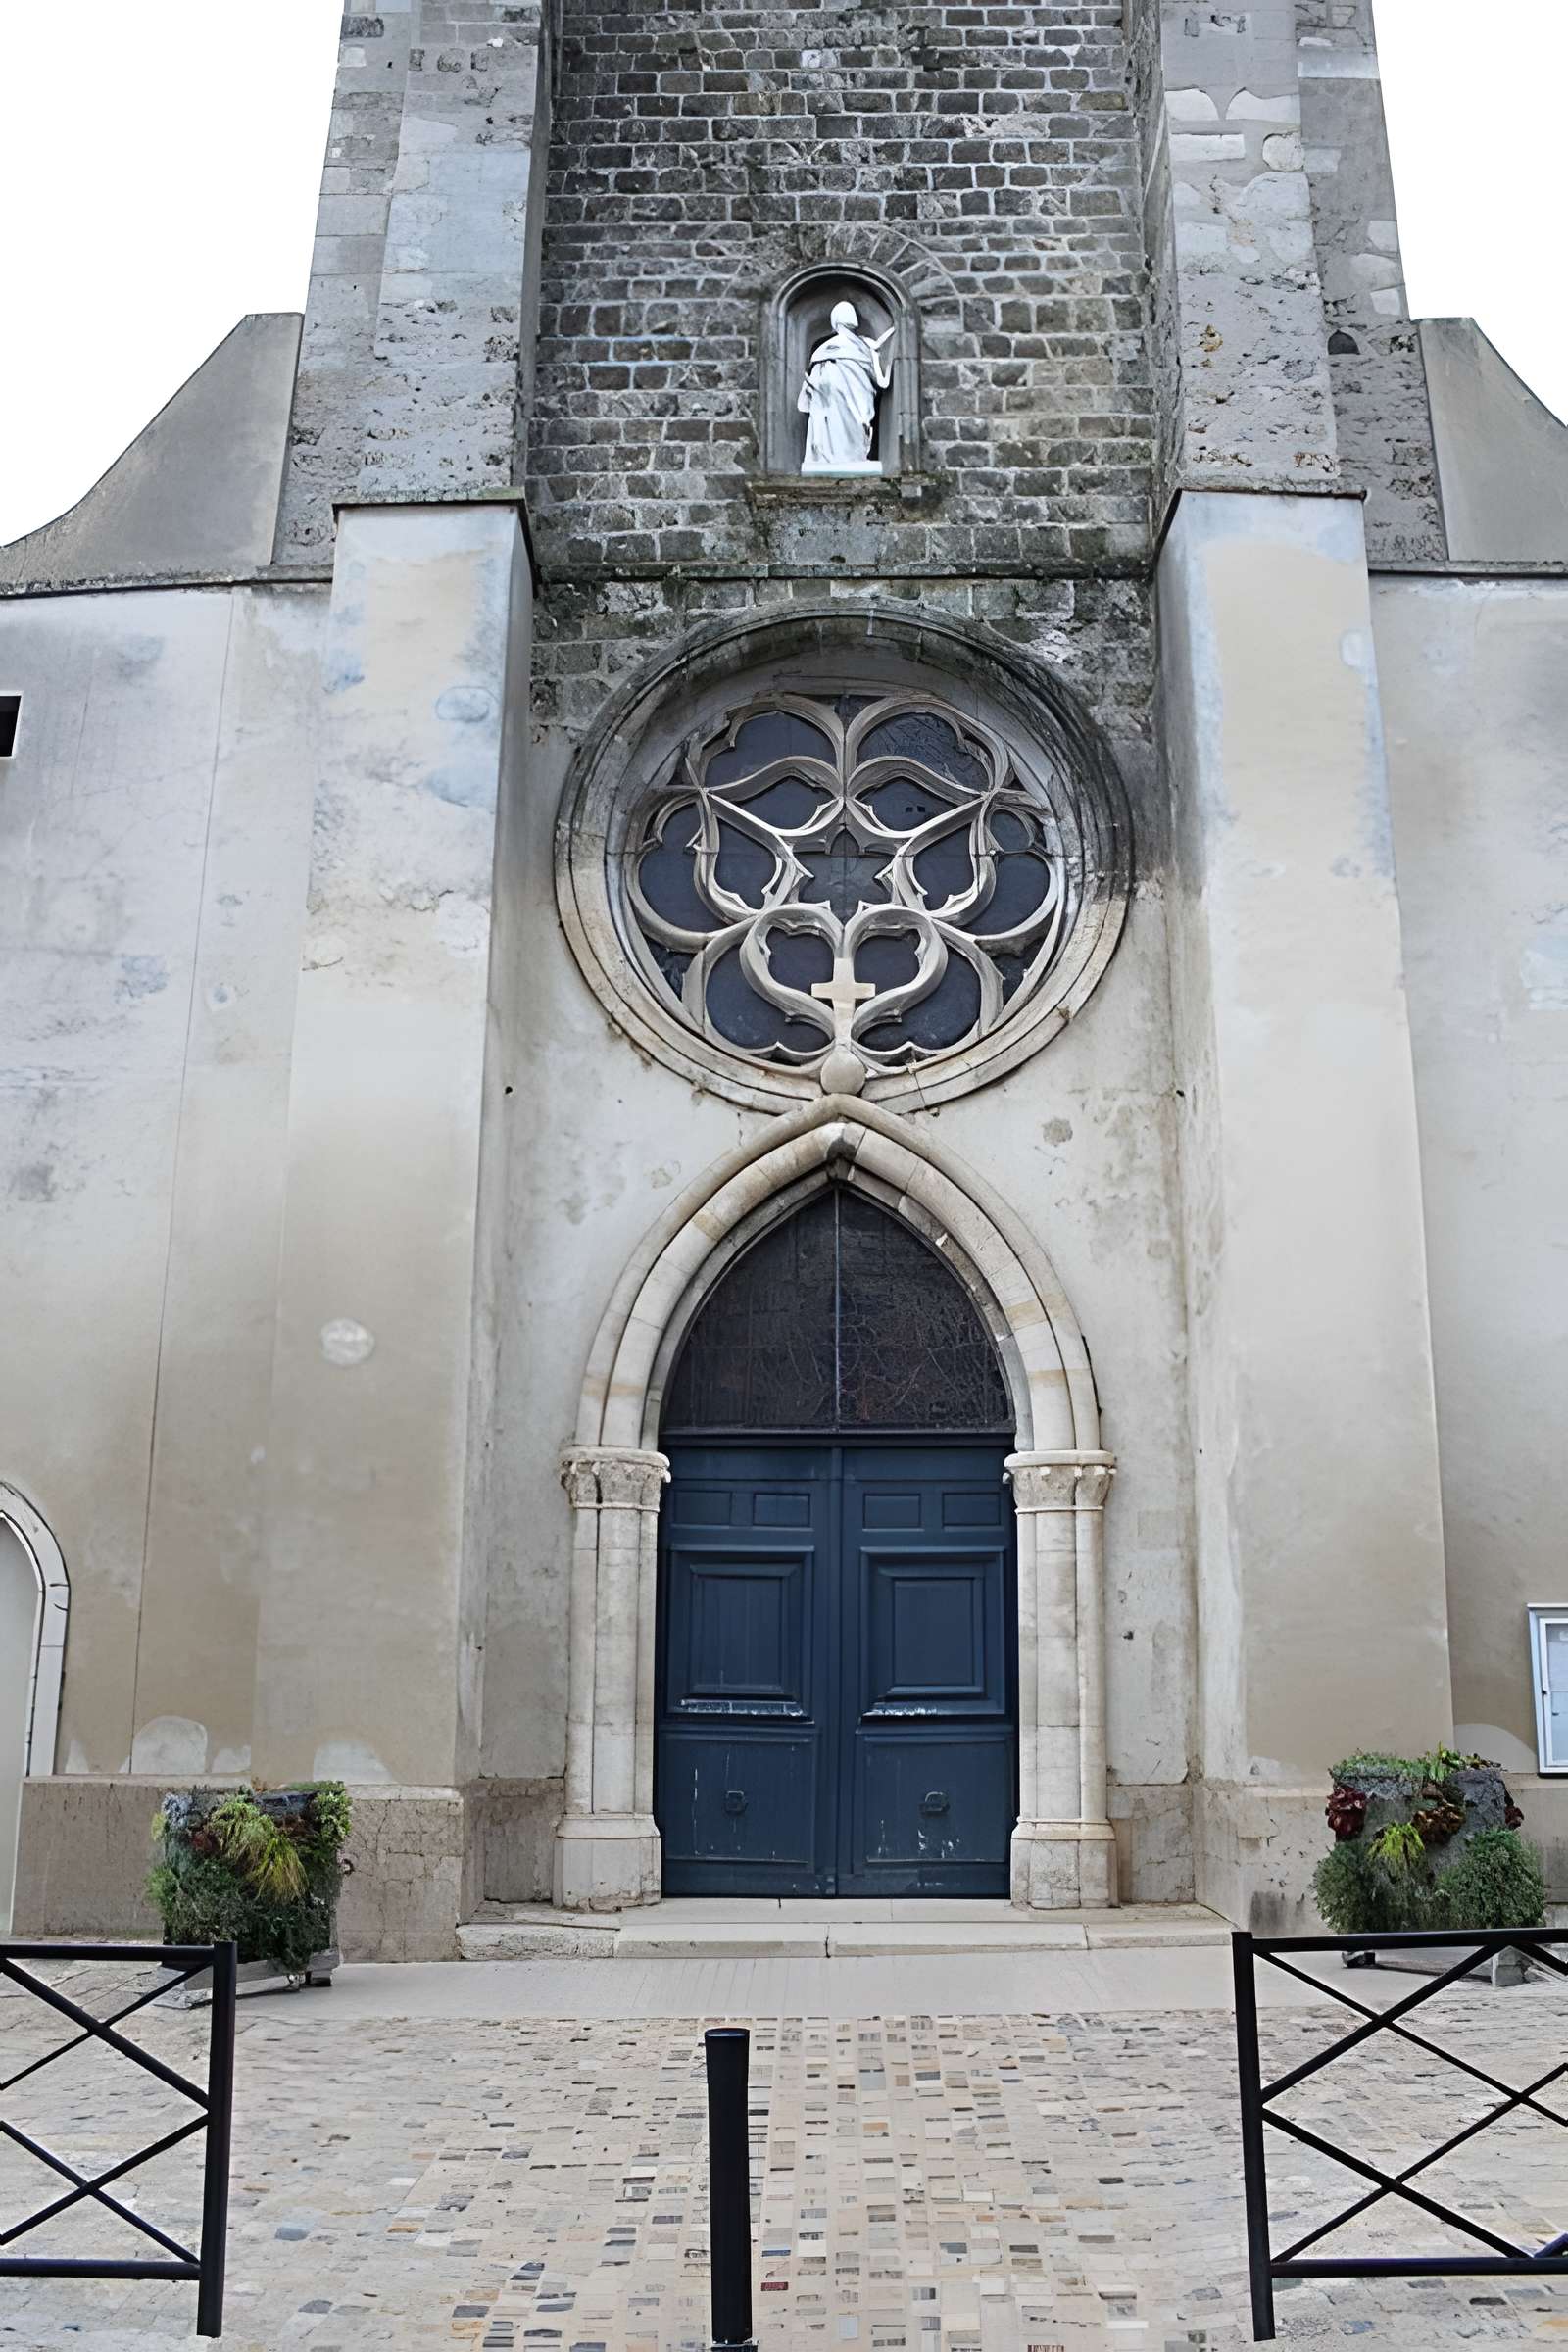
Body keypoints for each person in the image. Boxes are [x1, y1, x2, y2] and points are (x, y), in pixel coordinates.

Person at [798, 301, 896, 472]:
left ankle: (844, 458)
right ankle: (843, 458)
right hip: (850, 399)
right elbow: (876, 376)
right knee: (857, 422)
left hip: (837, 400)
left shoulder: (828, 348)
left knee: (847, 424)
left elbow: (819, 379)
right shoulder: (862, 346)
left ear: (835, 322)